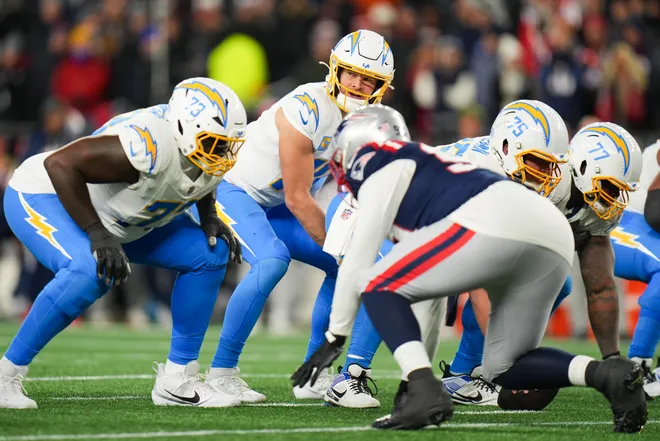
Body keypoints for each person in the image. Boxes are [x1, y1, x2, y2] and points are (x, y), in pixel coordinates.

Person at [291, 104, 647, 433]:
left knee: (386, 284)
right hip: (493, 227)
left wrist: (337, 338)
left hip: (476, 224)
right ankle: (358, 372)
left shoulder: (399, 167)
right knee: (403, 283)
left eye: (550, 163)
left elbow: (595, 282)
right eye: (537, 162)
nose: (545, 172)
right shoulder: (478, 165)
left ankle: (439, 379)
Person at [0, 77, 245, 409]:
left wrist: (209, 214)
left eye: (227, 144)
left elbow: (203, 176)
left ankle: (176, 378)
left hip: (124, 217)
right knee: (89, 272)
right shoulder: (146, 145)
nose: (224, 154)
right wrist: (98, 233)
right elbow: (59, 165)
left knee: (209, 252)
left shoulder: (200, 147)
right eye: (215, 143)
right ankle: (6, 373)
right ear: (184, 129)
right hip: (48, 194)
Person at [201, 30, 395, 402]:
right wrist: (339, 246)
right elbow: (297, 197)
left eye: (367, 77)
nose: (357, 83)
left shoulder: (368, 125)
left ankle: (313, 375)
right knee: (274, 261)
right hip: (234, 191)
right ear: (334, 69)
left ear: (381, 86)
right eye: (351, 72)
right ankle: (221, 371)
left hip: (274, 205)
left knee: (347, 268)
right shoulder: (307, 105)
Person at [438, 119, 644, 409]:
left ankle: (464, 373)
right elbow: (484, 272)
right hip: (428, 207)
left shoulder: (592, 203)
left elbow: (600, 286)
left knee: (557, 281)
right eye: (609, 187)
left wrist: (613, 362)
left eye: (620, 190)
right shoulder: (536, 182)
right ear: (583, 168)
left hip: (464, 222)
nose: (614, 199)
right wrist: (507, 363)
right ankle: (358, 371)